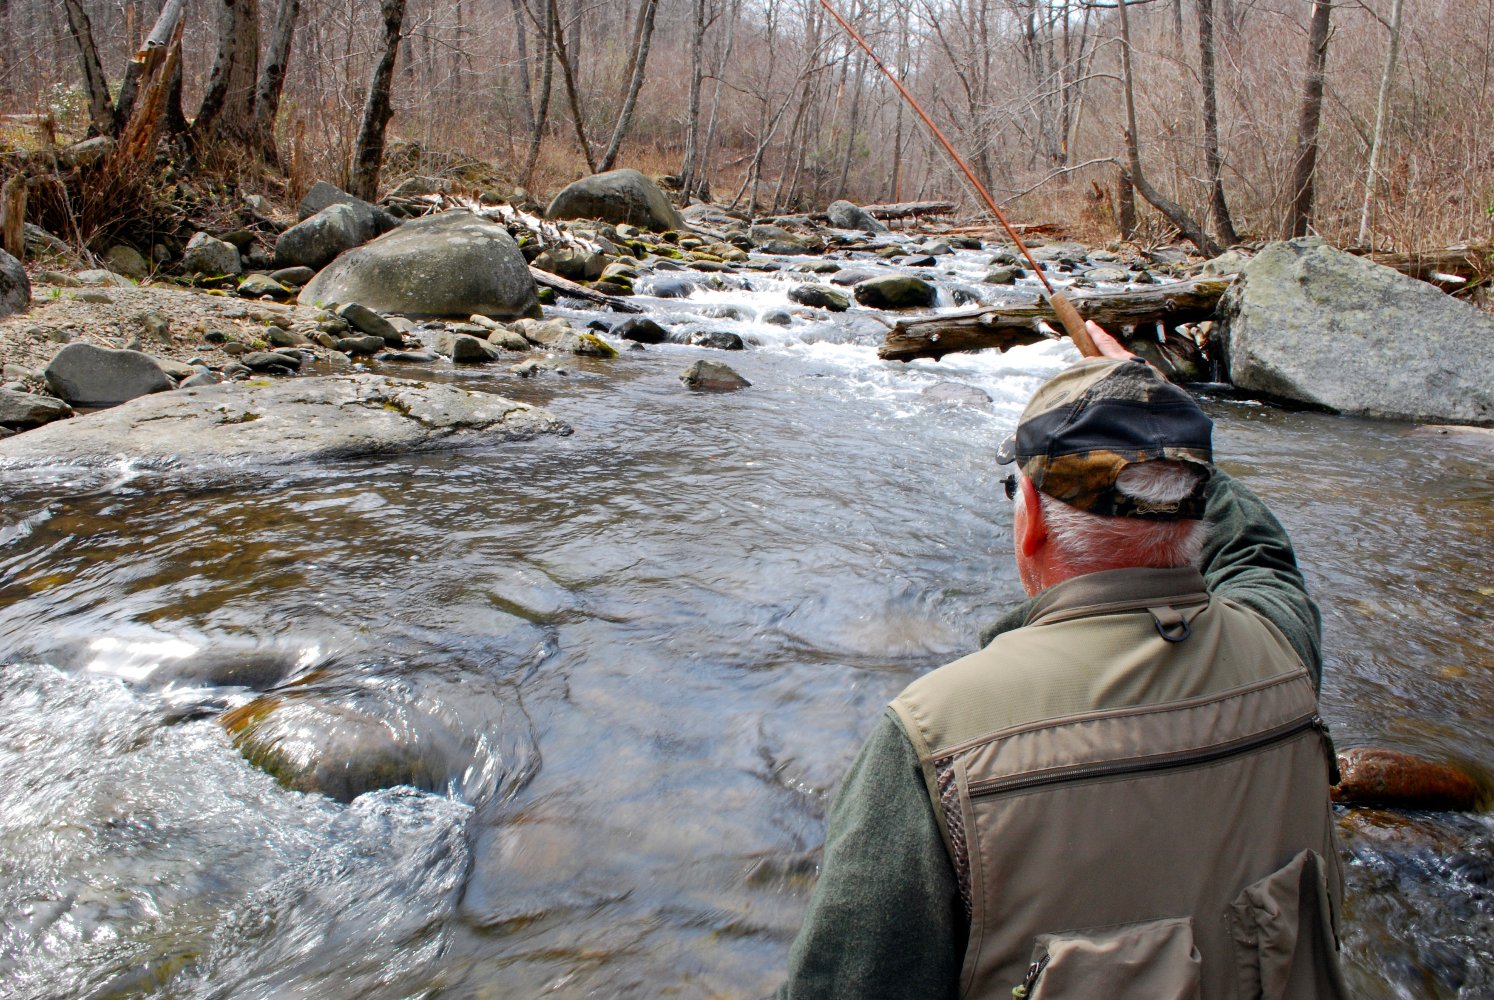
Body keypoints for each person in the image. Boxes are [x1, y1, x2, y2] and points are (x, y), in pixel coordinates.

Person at [776, 323, 1348, 999]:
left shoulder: (932, 740)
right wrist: (1161, 417)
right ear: (1196, 514)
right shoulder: (1282, 649)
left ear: (1032, 521)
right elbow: (1257, 552)